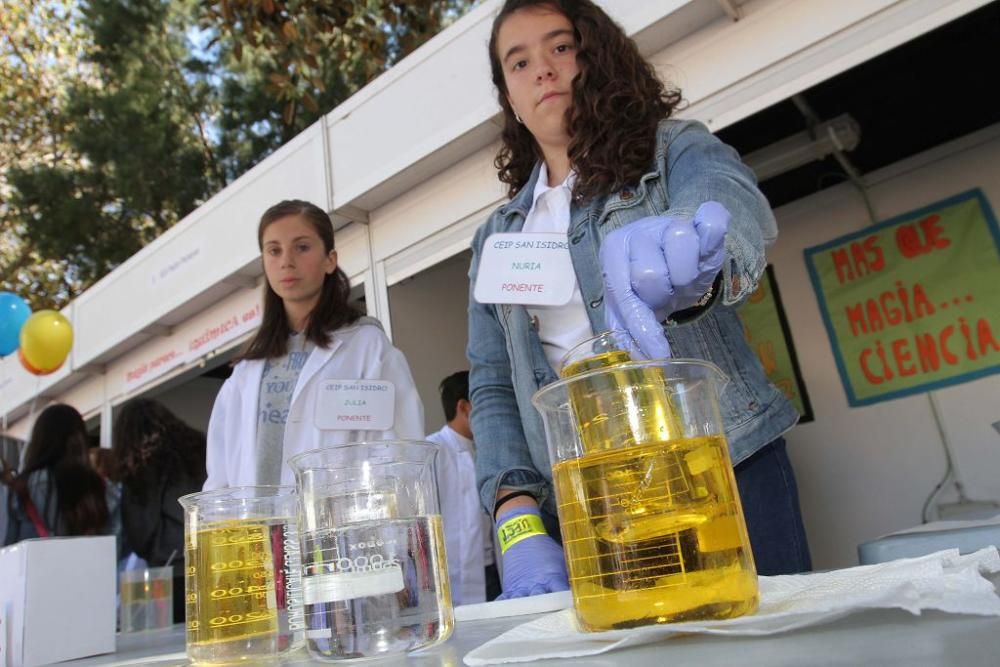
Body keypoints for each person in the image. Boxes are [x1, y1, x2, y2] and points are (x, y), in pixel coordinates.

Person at [468, 0, 812, 599]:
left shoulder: (673, 150)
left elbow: (727, 200)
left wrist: (697, 248)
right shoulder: (495, 238)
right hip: (595, 503)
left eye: (560, 46)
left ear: (595, 55)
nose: (543, 70)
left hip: (723, 472)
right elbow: (494, 384)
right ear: (509, 96)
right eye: (518, 62)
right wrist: (516, 516)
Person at [206, 200, 424, 488]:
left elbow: (398, 452)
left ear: (330, 259)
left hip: (340, 528)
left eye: (302, 247)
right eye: (274, 250)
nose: (286, 261)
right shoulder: (246, 370)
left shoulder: (366, 346)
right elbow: (220, 474)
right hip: (259, 530)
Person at [113, 399, 207, 622]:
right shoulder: (199, 447)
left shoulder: (140, 466)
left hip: (169, 573)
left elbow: (140, 533)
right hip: (208, 560)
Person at [426, 371, 499, 605]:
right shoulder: (431, 451)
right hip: (452, 573)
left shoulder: (488, 448)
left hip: (494, 568)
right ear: (464, 407)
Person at [2, 404, 116, 545]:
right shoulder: (103, 489)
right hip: (91, 565)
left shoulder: (21, 489)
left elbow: (7, 540)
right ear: (80, 439)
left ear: (39, 440)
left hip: (36, 565)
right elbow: (116, 542)